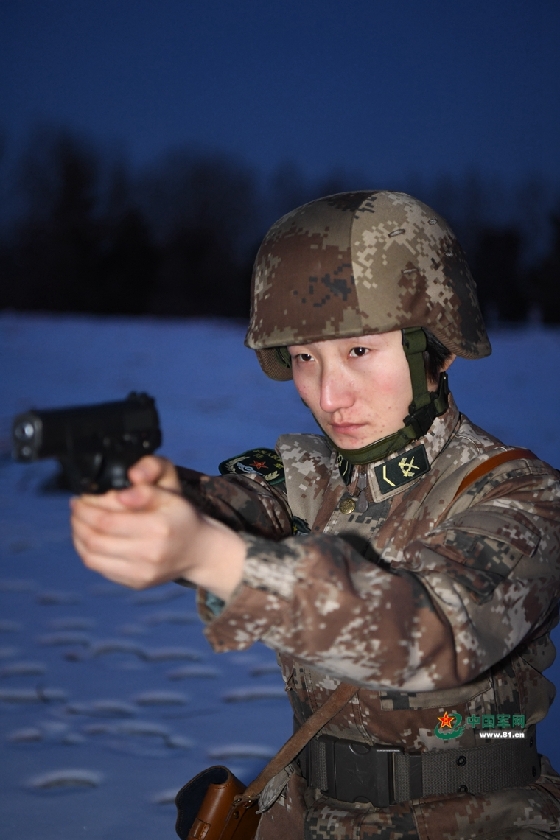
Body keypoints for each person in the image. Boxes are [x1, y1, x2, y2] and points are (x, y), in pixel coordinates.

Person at [71, 191, 560, 839]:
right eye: (305, 358)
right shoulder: (305, 477)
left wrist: (212, 557)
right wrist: (156, 499)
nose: (329, 396)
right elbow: (237, 500)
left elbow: (427, 634)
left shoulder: (523, 498)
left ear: (436, 350)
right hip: (315, 815)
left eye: (359, 352)